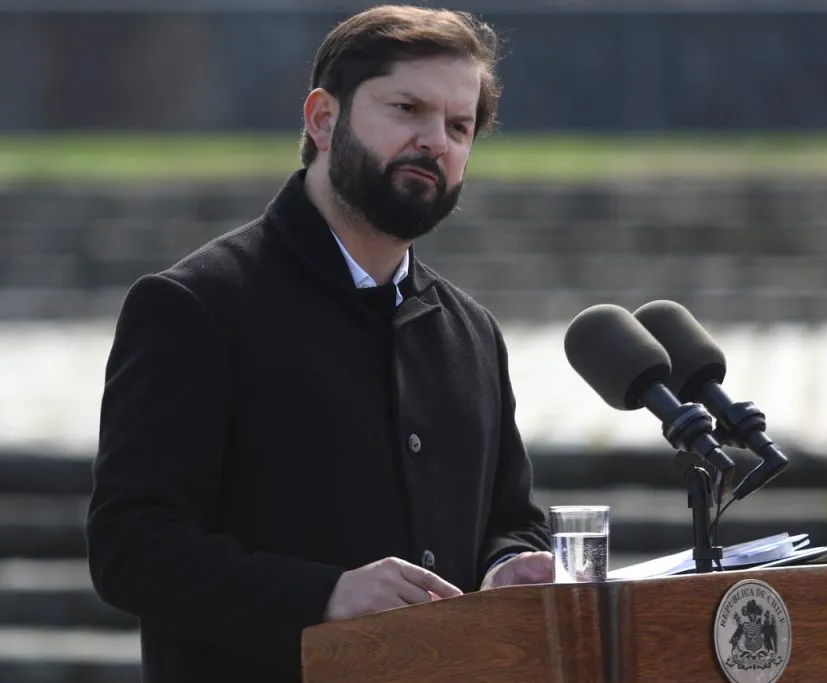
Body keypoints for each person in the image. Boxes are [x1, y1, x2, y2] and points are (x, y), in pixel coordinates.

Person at [85, 6, 553, 682]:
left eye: (458, 126)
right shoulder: (196, 305)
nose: (435, 141)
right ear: (322, 119)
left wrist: (508, 564)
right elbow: (130, 548)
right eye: (407, 109)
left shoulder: (471, 330)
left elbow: (511, 518)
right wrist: (323, 594)